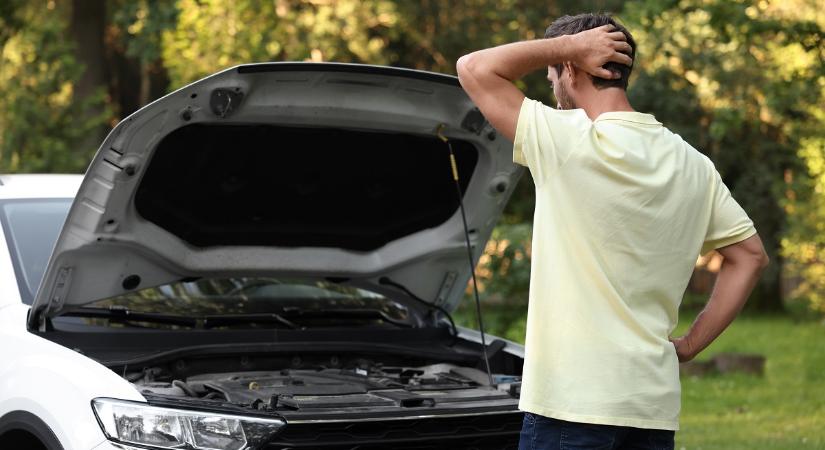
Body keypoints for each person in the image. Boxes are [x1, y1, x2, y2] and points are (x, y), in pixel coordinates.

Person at [456, 13, 769, 450]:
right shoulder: (693, 163)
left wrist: (567, 47)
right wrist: (691, 345)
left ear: (572, 67)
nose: (554, 94)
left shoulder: (568, 141)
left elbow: (473, 68)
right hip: (650, 409)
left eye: (553, 79)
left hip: (571, 406)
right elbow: (750, 256)